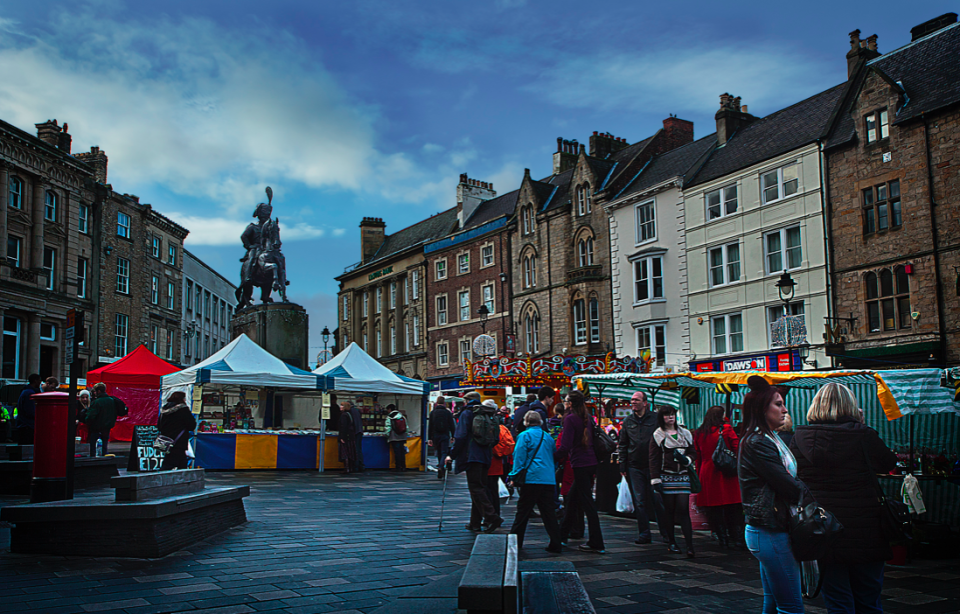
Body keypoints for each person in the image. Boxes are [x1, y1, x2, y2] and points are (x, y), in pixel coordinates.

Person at [790, 383, 898, 614]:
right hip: (866, 528)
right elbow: (888, 463)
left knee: (838, 601)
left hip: (823, 529)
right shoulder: (863, 435)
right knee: (868, 599)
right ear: (852, 406)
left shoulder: (799, 438)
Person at [739, 375, 806, 614]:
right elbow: (786, 483)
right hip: (769, 530)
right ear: (761, 408)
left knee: (775, 601)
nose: (785, 409)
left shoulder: (769, 437)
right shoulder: (758, 441)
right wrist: (810, 496)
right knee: (791, 607)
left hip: (770, 529)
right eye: (778, 404)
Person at [446, 391, 502, 533]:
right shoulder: (489, 414)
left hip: (471, 456)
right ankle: (474, 523)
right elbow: (496, 438)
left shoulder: (467, 413)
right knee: (479, 488)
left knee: (476, 488)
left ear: (466, 401)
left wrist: (451, 455)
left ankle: (492, 517)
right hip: (485, 456)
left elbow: (460, 436)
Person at [557, 390, 604, 553]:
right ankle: (562, 535)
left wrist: (553, 457)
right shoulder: (587, 418)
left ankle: (597, 541)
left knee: (587, 503)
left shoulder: (570, 419)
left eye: (565, 400)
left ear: (569, 403)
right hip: (590, 461)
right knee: (571, 499)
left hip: (580, 463)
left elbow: (565, 446)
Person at [508, 410, 562, 553]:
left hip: (531, 479)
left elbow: (519, 458)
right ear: (541, 422)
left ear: (526, 422)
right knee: (548, 512)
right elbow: (553, 457)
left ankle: (515, 541)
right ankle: (556, 542)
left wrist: (514, 477)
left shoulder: (524, 436)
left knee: (523, 512)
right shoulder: (548, 437)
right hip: (548, 479)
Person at [618, 390, 665, 545]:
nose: (633, 403)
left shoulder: (655, 419)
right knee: (640, 501)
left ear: (645, 403)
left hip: (653, 466)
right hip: (634, 466)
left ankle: (666, 533)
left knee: (657, 500)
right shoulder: (628, 421)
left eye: (636, 400)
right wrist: (622, 465)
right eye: (632, 400)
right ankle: (644, 533)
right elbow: (623, 444)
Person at [692, 405, 742, 550]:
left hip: (707, 472)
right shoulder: (726, 429)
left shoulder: (700, 432)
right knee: (732, 507)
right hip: (726, 471)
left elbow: (697, 455)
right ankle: (736, 538)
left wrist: (698, 472)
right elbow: (736, 447)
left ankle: (722, 538)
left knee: (713, 509)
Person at [649, 406, 696, 557]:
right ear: (661, 417)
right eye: (667, 415)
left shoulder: (685, 433)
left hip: (683, 475)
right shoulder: (658, 435)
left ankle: (689, 545)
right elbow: (654, 458)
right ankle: (672, 542)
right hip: (666, 476)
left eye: (673, 415)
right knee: (669, 511)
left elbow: (693, 452)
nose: (671, 418)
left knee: (683, 510)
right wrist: (655, 479)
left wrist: (687, 459)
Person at [486, 400, 515, 517]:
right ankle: (496, 513)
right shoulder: (503, 427)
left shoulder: (489, 426)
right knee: (494, 489)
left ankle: (491, 516)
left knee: (488, 490)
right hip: (501, 460)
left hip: (490, 461)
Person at [158, 391, 197, 470]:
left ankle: (182, 477)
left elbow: (159, 425)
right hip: (179, 440)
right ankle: (163, 479)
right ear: (182, 399)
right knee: (170, 463)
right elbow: (191, 425)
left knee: (180, 461)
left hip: (167, 440)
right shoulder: (183, 410)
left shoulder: (164, 409)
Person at [85, 383, 118, 456]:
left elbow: (91, 415)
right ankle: (104, 456)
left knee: (93, 445)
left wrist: (87, 421)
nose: (94, 393)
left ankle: (93, 457)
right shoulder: (111, 400)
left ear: (98, 391)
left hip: (96, 427)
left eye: (95, 391)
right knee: (104, 444)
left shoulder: (97, 402)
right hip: (107, 427)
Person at [429, 396, 455, 480]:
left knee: (439, 451)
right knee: (444, 451)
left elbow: (430, 426)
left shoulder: (433, 412)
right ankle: (441, 466)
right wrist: (453, 436)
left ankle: (441, 467)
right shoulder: (447, 413)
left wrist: (430, 438)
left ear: (436, 402)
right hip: (445, 434)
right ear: (444, 403)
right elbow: (452, 425)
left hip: (435, 435)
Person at [15, 374, 42, 445]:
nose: (40, 382)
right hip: (27, 426)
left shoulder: (26, 391)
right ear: (35, 381)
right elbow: (30, 411)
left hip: (24, 425)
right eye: (39, 380)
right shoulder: (29, 393)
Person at [384, 404, 408, 472]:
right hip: (402, 436)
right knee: (402, 452)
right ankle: (403, 466)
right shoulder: (402, 416)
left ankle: (398, 467)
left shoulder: (389, 417)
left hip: (394, 437)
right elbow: (406, 427)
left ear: (389, 409)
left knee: (397, 452)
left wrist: (387, 435)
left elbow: (388, 428)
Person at [338, 400, 357, 473]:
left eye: (342, 405)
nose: (340, 407)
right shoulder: (349, 414)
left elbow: (343, 426)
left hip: (346, 436)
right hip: (351, 436)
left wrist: (342, 437)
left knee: (345, 452)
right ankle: (351, 467)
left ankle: (347, 468)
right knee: (351, 452)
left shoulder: (344, 415)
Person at [349, 400, 364, 472]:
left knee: (355, 449)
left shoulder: (350, 412)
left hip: (355, 432)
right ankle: (361, 465)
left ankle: (356, 466)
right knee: (359, 449)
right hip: (359, 431)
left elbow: (352, 423)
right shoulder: (357, 411)